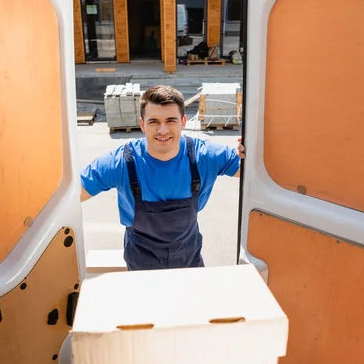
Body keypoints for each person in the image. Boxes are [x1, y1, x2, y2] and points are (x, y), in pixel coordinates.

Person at [80, 85, 245, 271]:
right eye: (154, 122)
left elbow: (251, 171)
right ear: (142, 124)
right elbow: (74, 193)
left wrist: (247, 151)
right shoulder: (122, 162)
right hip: (141, 263)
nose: (163, 130)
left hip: (189, 260)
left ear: (183, 121)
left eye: (170, 120)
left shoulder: (204, 156)